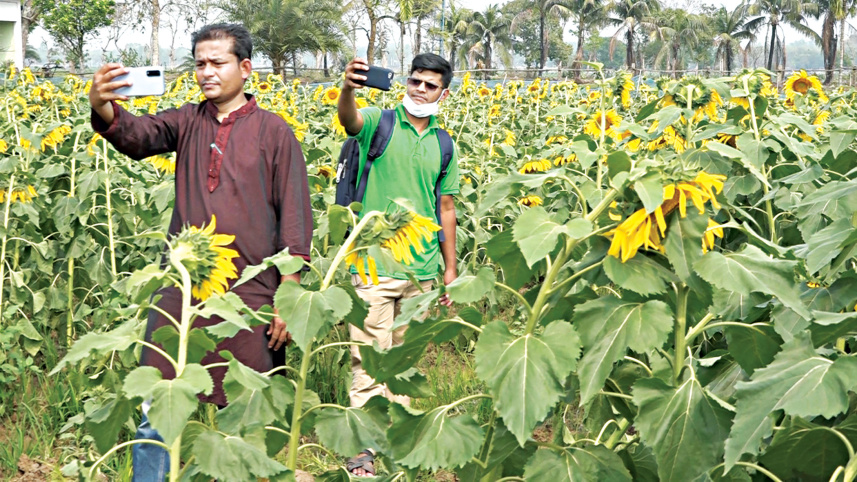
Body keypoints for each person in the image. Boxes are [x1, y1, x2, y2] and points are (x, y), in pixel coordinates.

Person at [88, 23, 312, 481]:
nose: (206, 73)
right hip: (182, 292)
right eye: (199, 64)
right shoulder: (186, 121)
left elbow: (294, 218)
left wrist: (288, 299)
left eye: (217, 63)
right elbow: (136, 134)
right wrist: (101, 104)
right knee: (158, 404)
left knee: (248, 412)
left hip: (251, 292)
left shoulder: (274, 133)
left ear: (245, 68)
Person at [337, 53, 459, 477]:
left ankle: (396, 443)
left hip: (422, 271)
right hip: (373, 265)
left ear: (444, 92)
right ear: (406, 82)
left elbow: (446, 206)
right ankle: (362, 455)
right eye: (415, 81)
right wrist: (349, 89)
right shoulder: (380, 122)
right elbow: (350, 121)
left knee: (405, 365)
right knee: (368, 360)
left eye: (430, 85)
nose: (420, 90)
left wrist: (449, 269)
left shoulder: (445, 143)